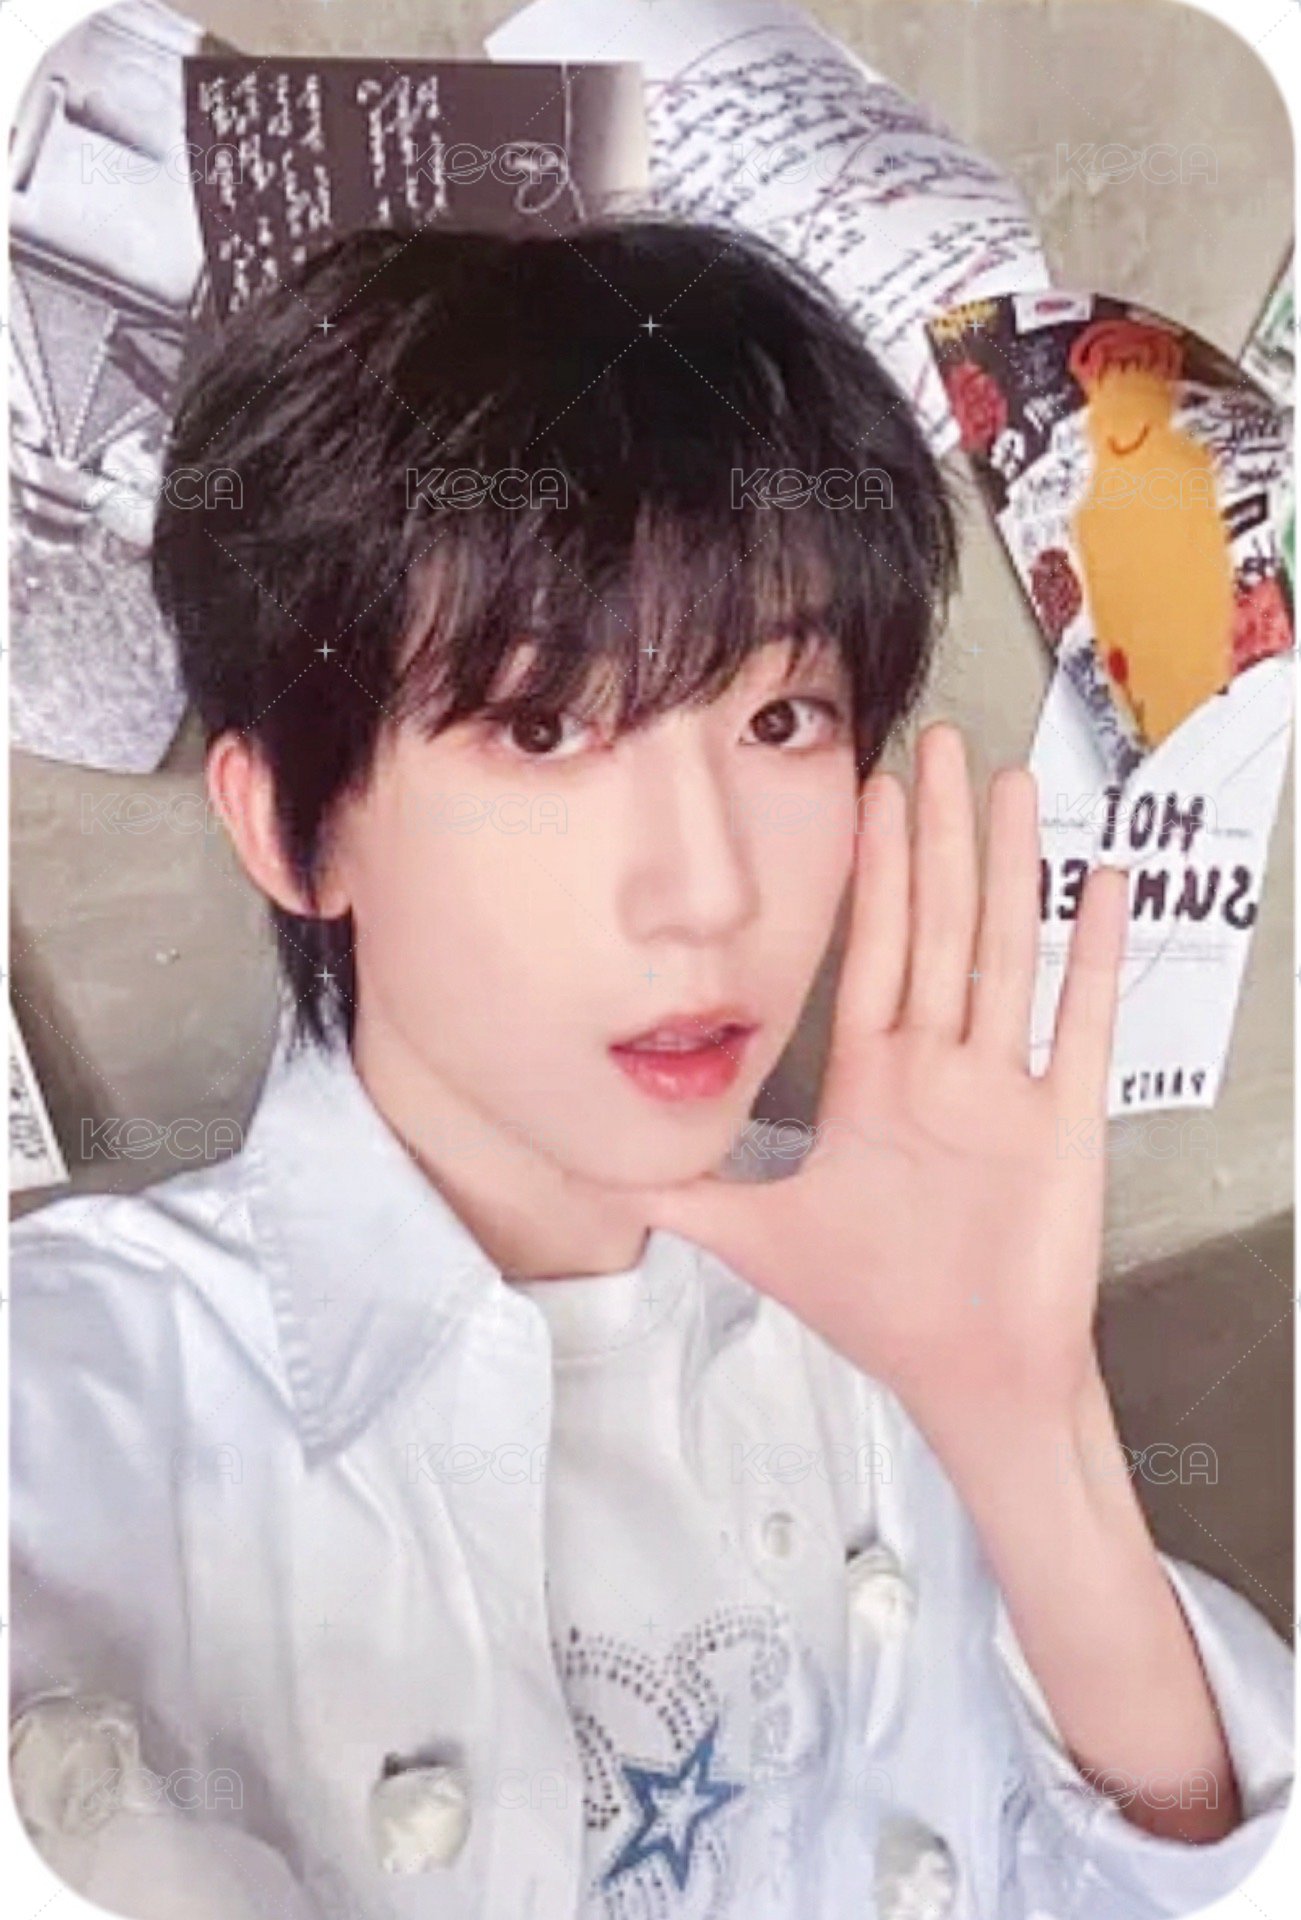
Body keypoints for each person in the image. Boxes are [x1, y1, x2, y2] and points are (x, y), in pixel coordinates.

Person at [8, 217, 1292, 1920]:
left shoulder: (917, 1258)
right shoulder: (69, 1406)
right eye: (541, 728)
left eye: (779, 721)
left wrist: (1027, 1429)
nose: (706, 893)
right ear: (292, 830)